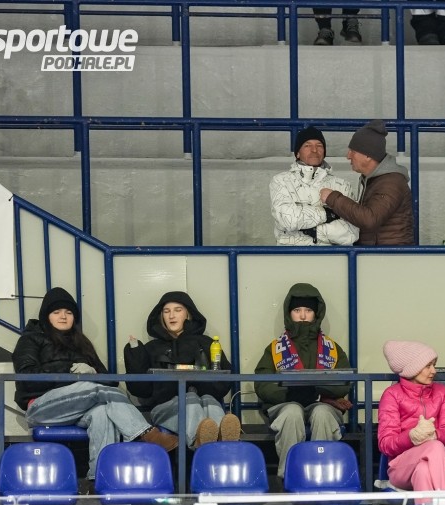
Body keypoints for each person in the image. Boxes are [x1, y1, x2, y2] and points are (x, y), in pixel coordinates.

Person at [12, 287, 178, 480]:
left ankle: (100, 479)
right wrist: (69, 371)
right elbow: (26, 378)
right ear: (46, 316)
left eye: (68, 312)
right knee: (95, 388)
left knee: (102, 414)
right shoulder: (30, 339)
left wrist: (92, 372)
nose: (63, 316)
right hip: (42, 407)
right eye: (56, 312)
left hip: (80, 407)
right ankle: (146, 434)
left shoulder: (81, 343)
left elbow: (110, 381)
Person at [254, 282, 352, 475]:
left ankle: (322, 475)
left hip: (323, 404)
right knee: (292, 412)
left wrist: (315, 390)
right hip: (286, 405)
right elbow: (262, 384)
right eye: (297, 310)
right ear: (289, 313)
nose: (303, 315)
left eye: (308, 310)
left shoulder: (333, 348)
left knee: (322, 413)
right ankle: (290, 475)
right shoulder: (275, 348)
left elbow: (344, 382)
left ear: (317, 313)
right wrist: (290, 393)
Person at [123, 291, 241, 448]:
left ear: (188, 314)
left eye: (178, 310)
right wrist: (135, 354)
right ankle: (205, 442)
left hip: (203, 400)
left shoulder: (207, 343)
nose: (171, 316)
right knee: (191, 399)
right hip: (165, 408)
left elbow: (224, 381)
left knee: (209, 400)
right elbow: (141, 390)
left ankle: (220, 438)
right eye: (166, 311)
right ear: (161, 316)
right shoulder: (151, 348)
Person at [378, 340, 445, 498]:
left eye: (434, 365)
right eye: (428, 366)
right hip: (401, 467)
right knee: (435, 447)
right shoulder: (392, 394)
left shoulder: (442, 392)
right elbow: (385, 444)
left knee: (423, 471)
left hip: (436, 463)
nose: (434, 371)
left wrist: (435, 434)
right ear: (412, 368)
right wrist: (411, 437)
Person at [319, 119, 415, 246]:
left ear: (368, 155)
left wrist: (333, 198)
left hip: (390, 255)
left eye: (353, 151)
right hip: (380, 253)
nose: (348, 156)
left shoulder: (391, 182)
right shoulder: (375, 179)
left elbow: (370, 219)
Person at [270, 125, 358, 246]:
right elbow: (288, 219)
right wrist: (328, 214)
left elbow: (351, 233)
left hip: (331, 255)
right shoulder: (281, 181)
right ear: (297, 153)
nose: (314, 150)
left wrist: (311, 231)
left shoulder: (342, 185)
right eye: (307, 146)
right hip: (291, 255)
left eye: (319, 145)